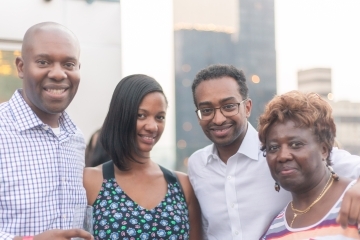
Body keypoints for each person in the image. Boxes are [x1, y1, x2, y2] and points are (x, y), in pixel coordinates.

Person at [187, 64, 360, 240]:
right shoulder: (197, 166)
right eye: (207, 110)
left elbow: (333, 162)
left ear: (247, 107)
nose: (218, 118)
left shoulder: (279, 152)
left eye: (229, 106)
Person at [0, 22, 93, 240]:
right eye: (43, 62)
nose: (59, 74)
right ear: (21, 67)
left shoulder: (75, 139)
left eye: (69, 64)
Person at [84, 74, 202, 239]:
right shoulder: (90, 181)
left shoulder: (182, 186)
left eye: (160, 117)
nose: (153, 126)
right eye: (141, 115)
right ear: (121, 115)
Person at [258, 91, 360, 239]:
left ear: (324, 150)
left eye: (296, 144)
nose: (283, 156)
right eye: (273, 147)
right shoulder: (273, 231)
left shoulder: (354, 203)